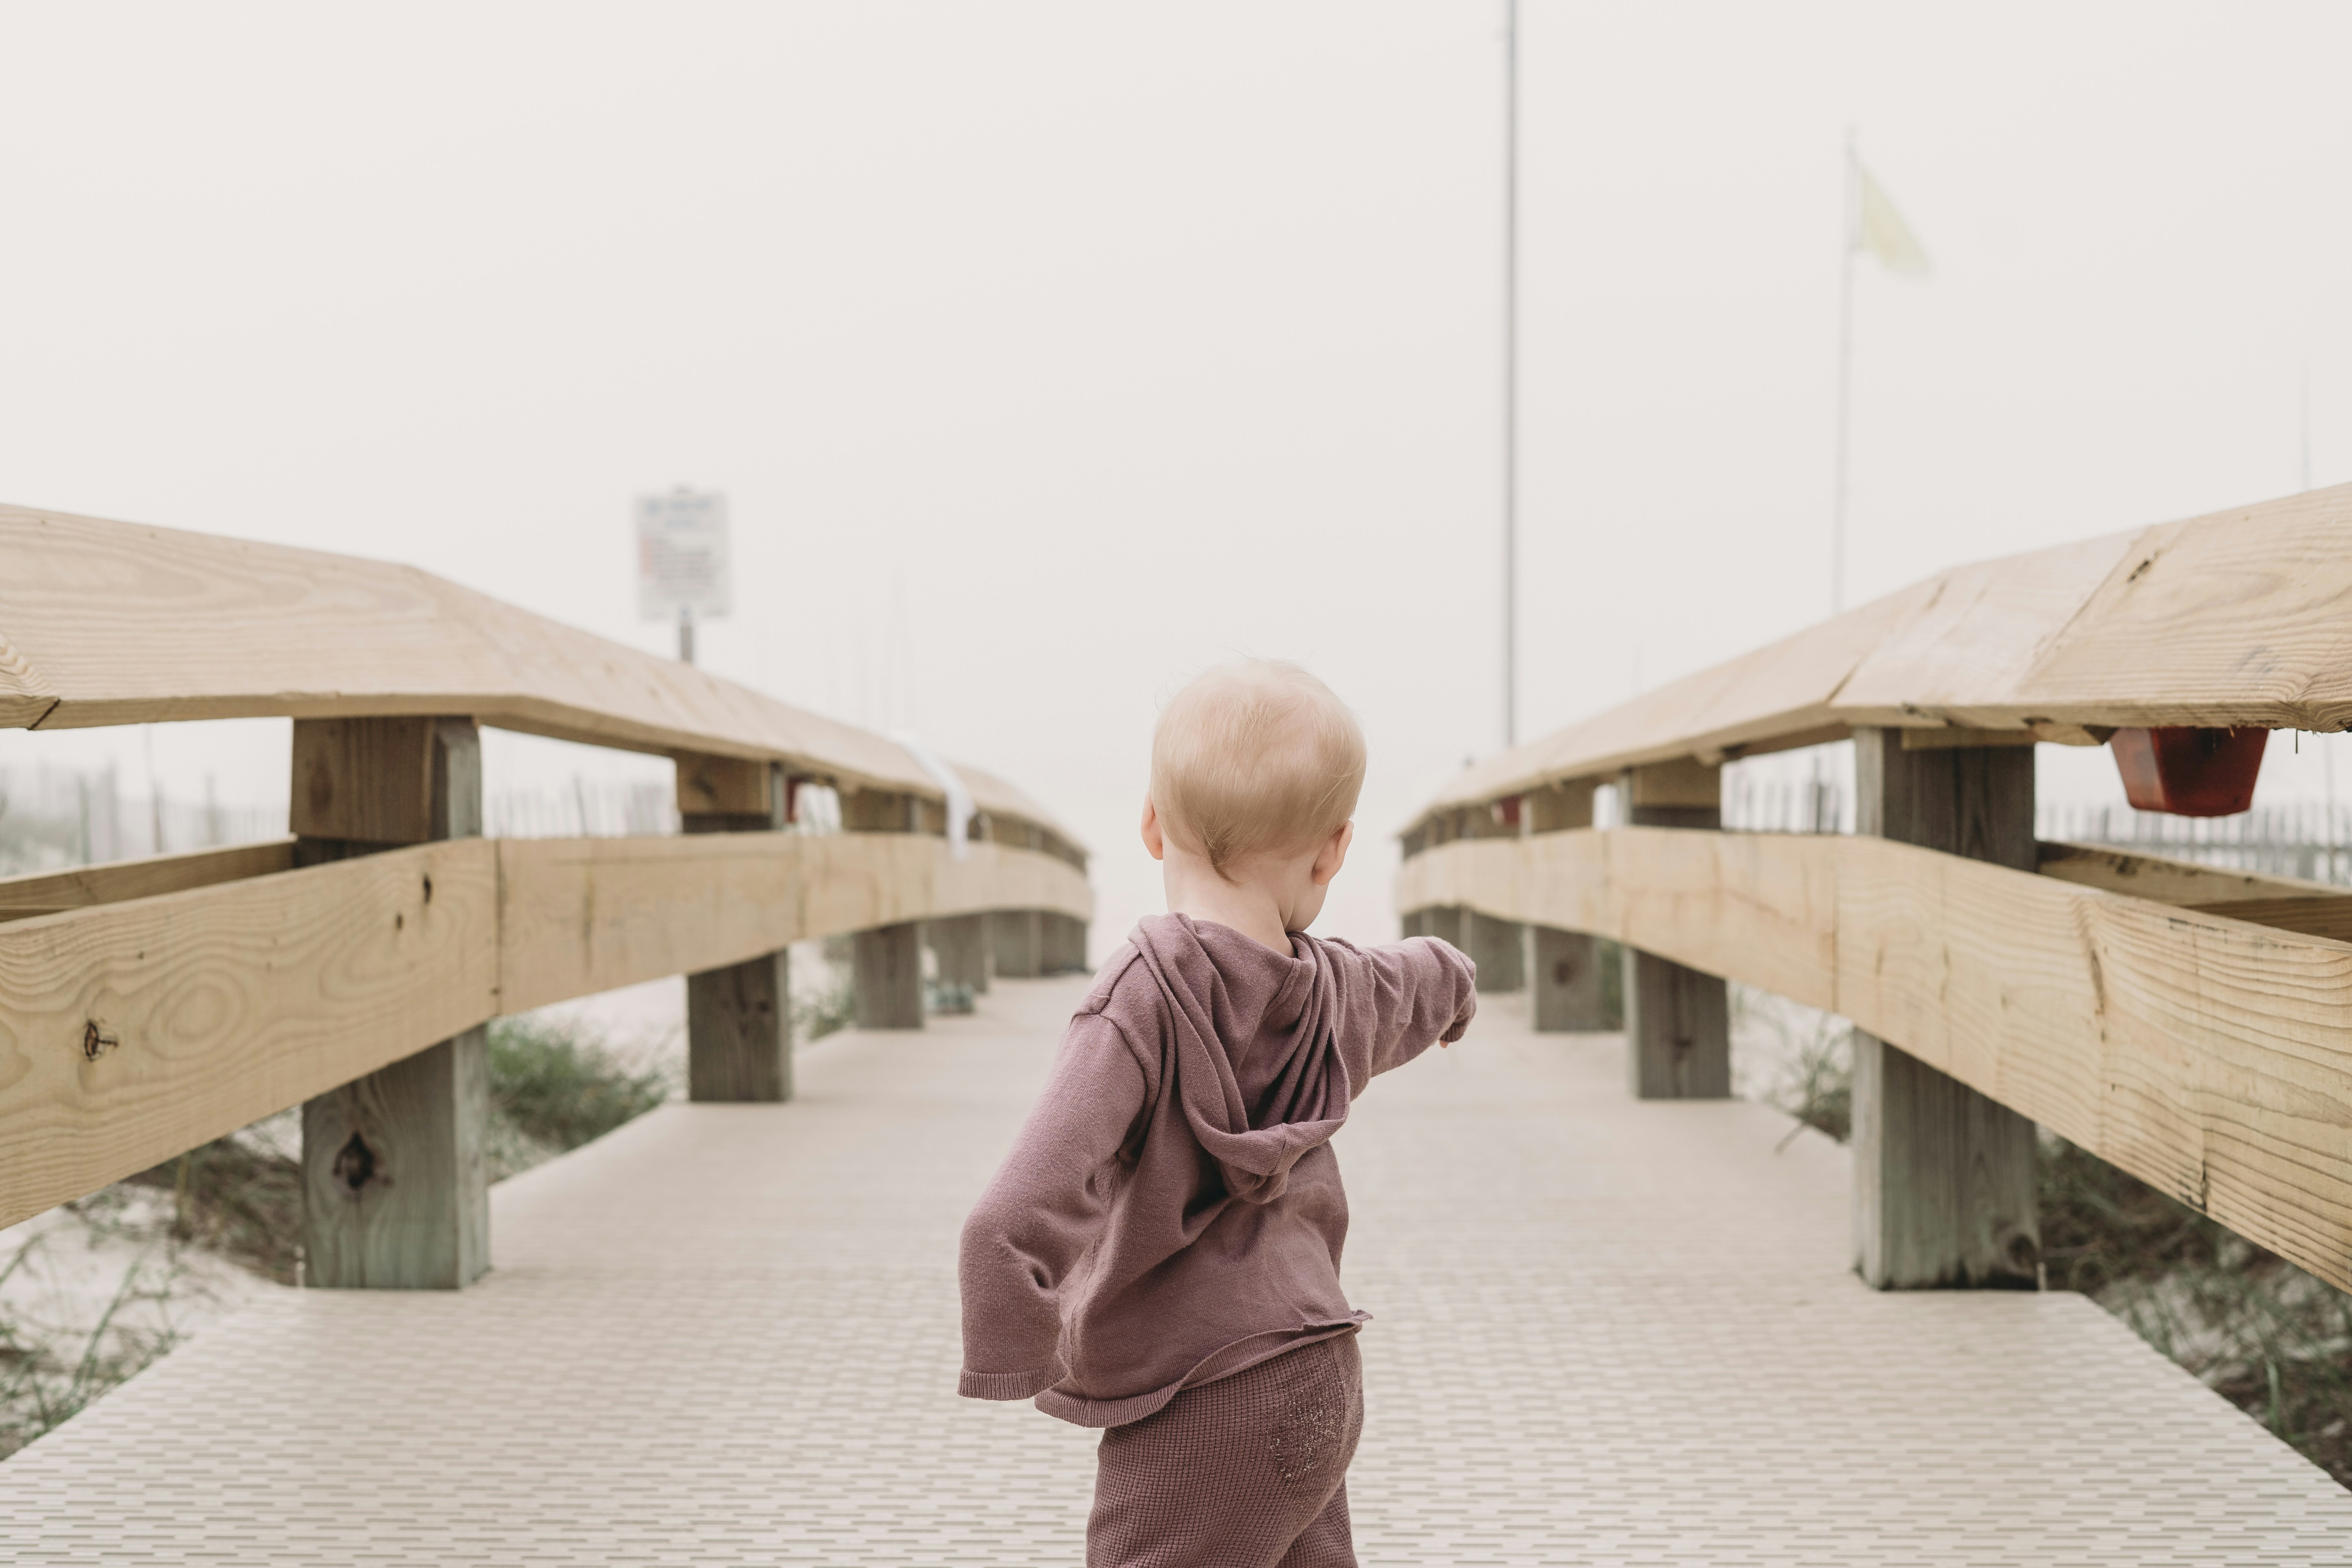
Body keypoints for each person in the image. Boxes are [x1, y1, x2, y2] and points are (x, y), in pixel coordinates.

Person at [956, 659, 1479, 1567]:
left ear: (1153, 826)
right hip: (1318, 1369)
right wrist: (1458, 990)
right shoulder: (1338, 988)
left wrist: (1017, 1351)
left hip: (1195, 1400)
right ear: (1331, 851)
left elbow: (1013, 1212)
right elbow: (1425, 973)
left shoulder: (1137, 1002)